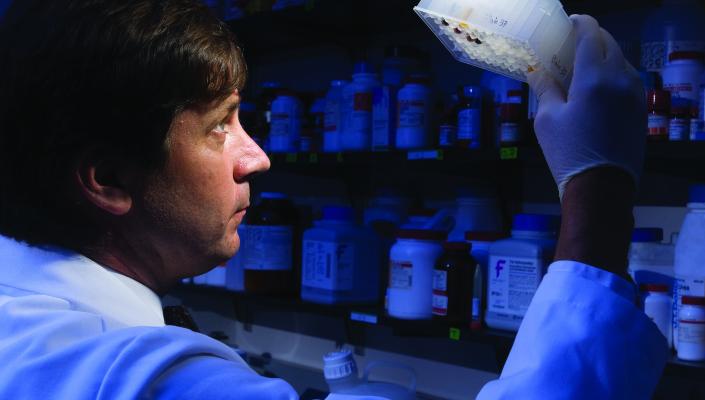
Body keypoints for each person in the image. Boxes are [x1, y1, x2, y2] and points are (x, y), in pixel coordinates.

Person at [0, 1, 667, 399]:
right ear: (108, 180)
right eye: (218, 126)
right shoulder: (152, 376)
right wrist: (598, 187)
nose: (256, 156)